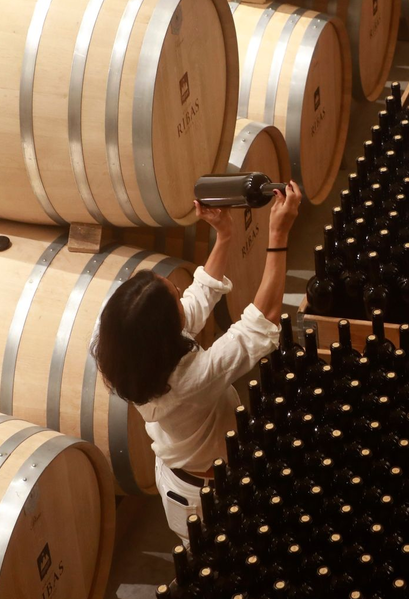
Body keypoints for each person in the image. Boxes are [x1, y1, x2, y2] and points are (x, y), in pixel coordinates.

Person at [93, 181, 302, 545]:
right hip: (207, 494)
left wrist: (223, 236)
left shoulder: (120, 347)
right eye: (175, 296)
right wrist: (278, 233)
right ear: (164, 332)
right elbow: (262, 323)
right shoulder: (192, 380)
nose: (181, 291)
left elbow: (198, 298)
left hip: (177, 477)